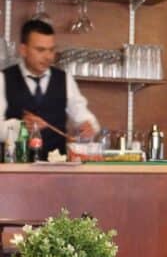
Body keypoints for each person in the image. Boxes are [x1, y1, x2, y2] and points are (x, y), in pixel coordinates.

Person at [0, 19, 99, 158]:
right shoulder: (3, 78)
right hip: (15, 166)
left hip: (56, 166)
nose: (48, 57)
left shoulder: (64, 79)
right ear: (23, 50)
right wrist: (20, 126)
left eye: (51, 50)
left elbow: (83, 117)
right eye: (40, 50)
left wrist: (88, 126)